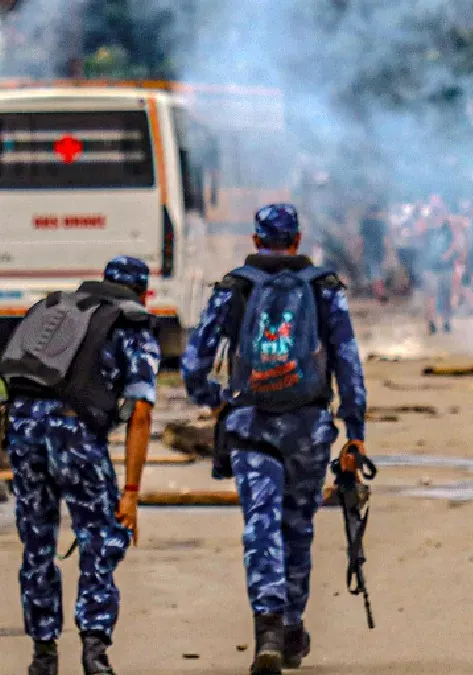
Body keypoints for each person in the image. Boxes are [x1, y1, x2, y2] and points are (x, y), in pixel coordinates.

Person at [181, 204, 369, 675]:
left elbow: (193, 364)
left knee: (260, 526)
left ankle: (266, 629)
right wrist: (355, 432)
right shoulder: (324, 288)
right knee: (298, 528)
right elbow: (348, 362)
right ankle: (291, 628)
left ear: (256, 239)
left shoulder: (234, 287)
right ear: (298, 239)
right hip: (309, 427)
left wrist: (219, 400)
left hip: (251, 427)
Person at [0, 256, 160, 675]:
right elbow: (140, 413)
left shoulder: (60, 309)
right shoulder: (131, 325)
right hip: (73, 434)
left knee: (37, 543)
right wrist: (131, 493)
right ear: (142, 292)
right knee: (101, 537)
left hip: (22, 428)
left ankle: (43, 654)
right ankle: (94, 650)